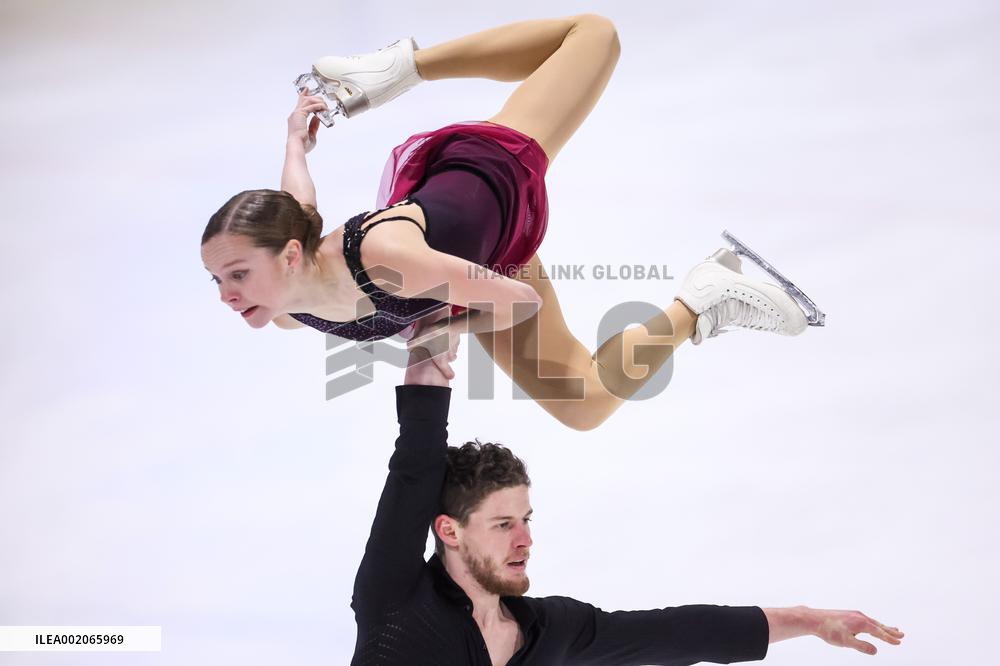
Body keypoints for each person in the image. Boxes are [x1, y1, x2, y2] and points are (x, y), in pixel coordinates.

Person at [201, 15, 823, 431]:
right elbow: (298, 207)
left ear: (286, 257)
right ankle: (701, 301)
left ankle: (401, 67)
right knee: (583, 406)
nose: (228, 296)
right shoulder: (286, 305)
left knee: (594, 36)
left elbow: (517, 298)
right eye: (219, 280)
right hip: (472, 264)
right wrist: (295, 145)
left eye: (237, 273)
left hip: (488, 182)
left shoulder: (387, 257)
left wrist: (437, 336)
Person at [350, 350, 903, 664]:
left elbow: (674, 633)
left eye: (525, 520)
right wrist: (426, 354)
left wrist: (807, 621)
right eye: (502, 525)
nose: (525, 541)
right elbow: (416, 465)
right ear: (448, 530)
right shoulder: (395, 599)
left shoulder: (546, 630)